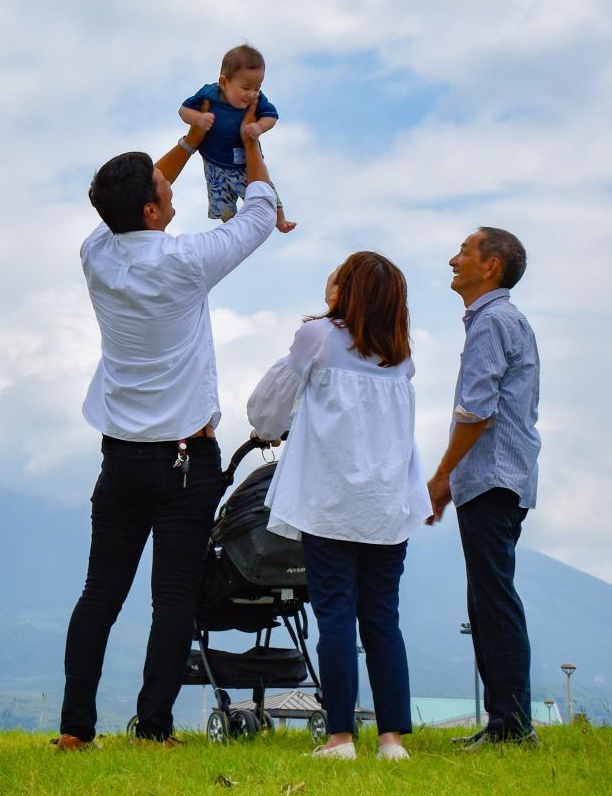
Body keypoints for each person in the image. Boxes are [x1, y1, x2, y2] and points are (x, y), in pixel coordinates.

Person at [58, 106, 278, 750]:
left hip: (119, 459)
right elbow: (260, 215)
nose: (169, 183)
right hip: (187, 460)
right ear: (153, 213)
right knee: (173, 599)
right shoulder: (186, 262)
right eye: (162, 188)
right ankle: (153, 728)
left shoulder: (97, 254)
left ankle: (76, 730)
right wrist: (248, 145)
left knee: (100, 594)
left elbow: (135, 194)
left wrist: (190, 142)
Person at [248, 252, 430, 761]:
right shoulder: (401, 354)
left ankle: (340, 738)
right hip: (387, 508)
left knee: (335, 618)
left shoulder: (319, 336)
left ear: (347, 290)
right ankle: (392, 740)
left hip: (331, 504)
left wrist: (269, 429)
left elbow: (267, 410)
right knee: (382, 621)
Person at [426, 227, 541, 750]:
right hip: (497, 477)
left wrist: (444, 473)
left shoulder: (492, 322)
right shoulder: (500, 320)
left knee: (493, 599)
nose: (454, 259)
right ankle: (505, 720)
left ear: (489, 266)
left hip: (492, 476)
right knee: (489, 597)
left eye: (464, 252)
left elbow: (476, 410)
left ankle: (511, 724)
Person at [179, 44, 296, 233]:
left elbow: (271, 116)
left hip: (245, 163)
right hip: (214, 163)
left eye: (257, 88)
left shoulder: (258, 100)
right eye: (246, 87)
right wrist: (198, 119)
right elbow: (183, 111)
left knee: (265, 190)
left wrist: (259, 126)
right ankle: (233, 229)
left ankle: (280, 220)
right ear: (224, 83)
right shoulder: (209, 93)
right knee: (221, 200)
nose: (252, 94)